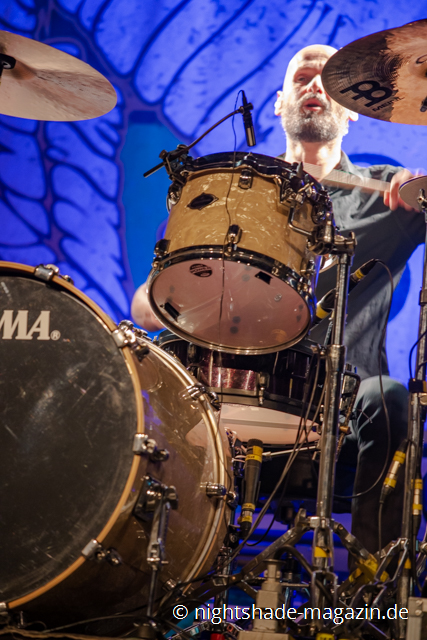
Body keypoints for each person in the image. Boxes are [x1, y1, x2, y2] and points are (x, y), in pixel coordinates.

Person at [132, 44, 425, 559]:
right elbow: (144, 304)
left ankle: (374, 579)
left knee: (393, 401)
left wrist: (421, 192)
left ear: (353, 109)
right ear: (278, 102)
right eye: (303, 78)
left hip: (345, 404)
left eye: (329, 81)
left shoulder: (387, 193)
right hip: (233, 389)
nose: (315, 87)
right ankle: (153, 570)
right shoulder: (234, 194)